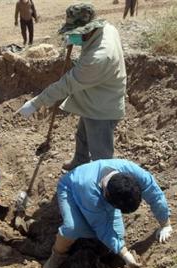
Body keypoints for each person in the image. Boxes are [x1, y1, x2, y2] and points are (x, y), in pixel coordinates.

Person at [16, 3, 126, 172]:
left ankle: (104, 186)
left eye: (75, 33)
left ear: (87, 30)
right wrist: (75, 36)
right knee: (82, 135)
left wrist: (35, 103)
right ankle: (80, 162)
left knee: (100, 153)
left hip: (102, 107)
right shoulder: (106, 28)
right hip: (93, 96)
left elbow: (65, 85)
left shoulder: (98, 58)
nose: (73, 36)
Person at [41, 159, 172, 268]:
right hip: (70, 188)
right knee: (75, 228)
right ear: (107, 197)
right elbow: (102, 227)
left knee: (118, 235)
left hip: (100, 192)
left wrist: (165, 223)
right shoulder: (91, 194)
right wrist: (125, 254)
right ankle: (57, 255)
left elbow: (155, 194)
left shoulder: (134, 173)